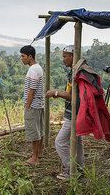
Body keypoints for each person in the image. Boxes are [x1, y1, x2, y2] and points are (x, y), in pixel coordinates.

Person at [45, 45, 84, 180]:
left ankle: (70, 170)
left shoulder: (75, 73)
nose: (63, 59)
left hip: (74, 113)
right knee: (77, 141)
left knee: (60, 142)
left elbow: (71, 96)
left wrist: (55, 92)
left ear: (72, 56)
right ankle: (79, 168)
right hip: (77, 111)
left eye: (65, 56)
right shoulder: (76, 71)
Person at [20, 45, 44, 166]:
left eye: (23, 56)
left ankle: (34, 158)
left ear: (30, 56)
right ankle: (38, 153)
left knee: (34, 132)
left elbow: (32, 90)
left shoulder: (33, 70)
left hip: (33, 105)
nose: (21, 58)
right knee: (39, 130)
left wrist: (27, 106)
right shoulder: (37, 67)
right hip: (38, 104)